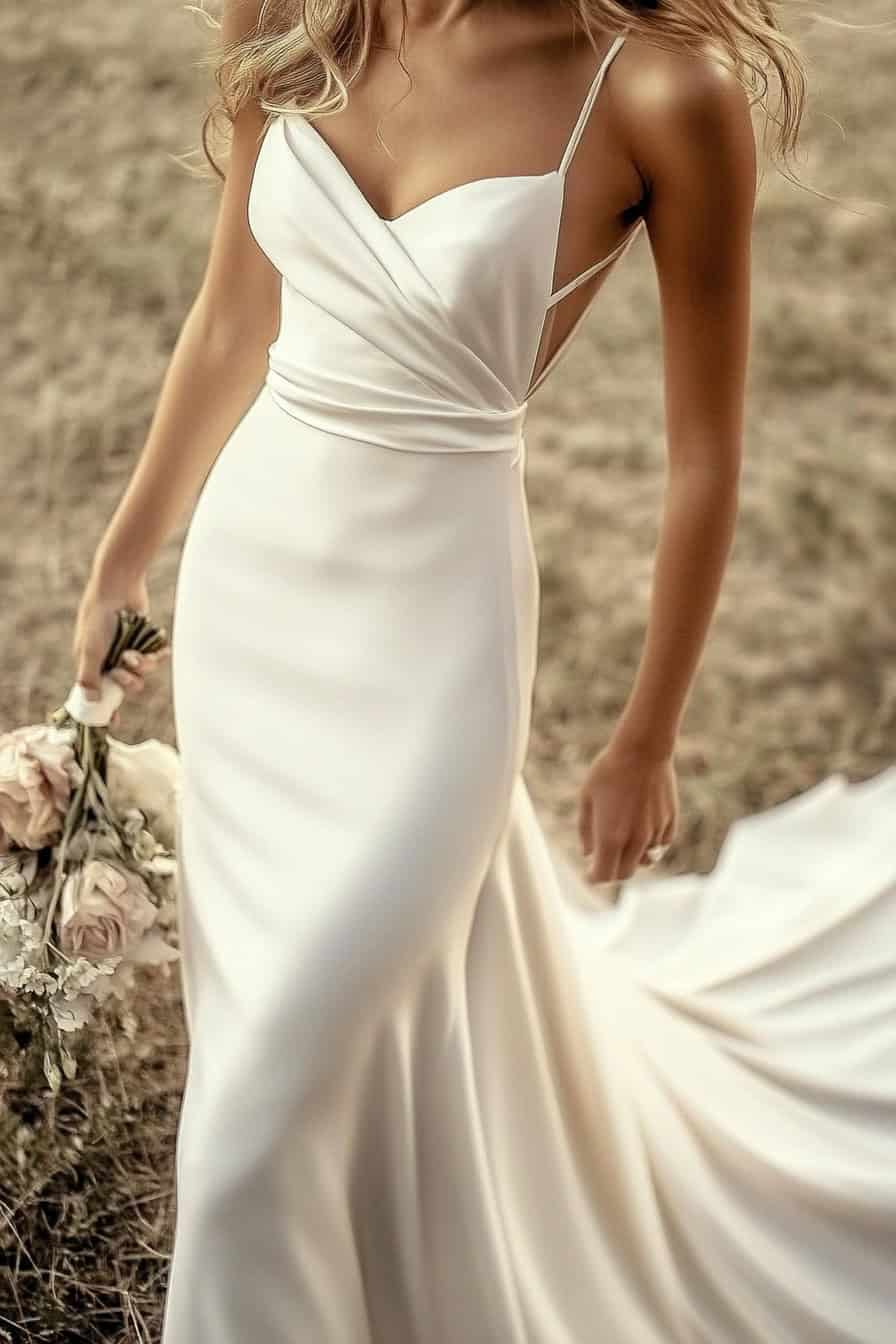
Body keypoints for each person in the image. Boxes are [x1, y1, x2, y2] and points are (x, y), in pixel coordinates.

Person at [71, 0, 896, 1340]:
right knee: (273, 1051)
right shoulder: (291, 17)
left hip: (436, 641)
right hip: (255, 607)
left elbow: (704, 461)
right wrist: (124, 554)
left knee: (267, 1101)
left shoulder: (659, 95)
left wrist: (646, 736)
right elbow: (235, 317)